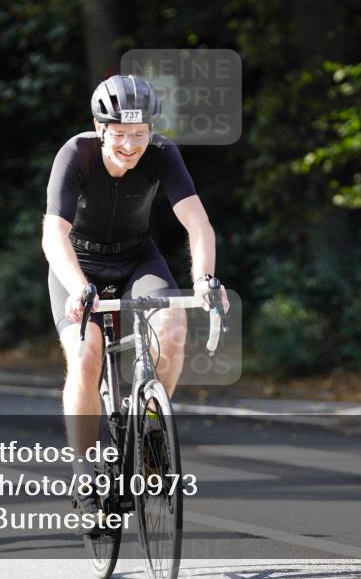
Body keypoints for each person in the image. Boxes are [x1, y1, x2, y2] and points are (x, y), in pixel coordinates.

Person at [42, 75, 227, 524]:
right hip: (78, 263)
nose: (130, 145)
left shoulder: (162, 154)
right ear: (100, 127)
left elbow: (198, 224)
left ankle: (150, 439)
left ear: (151, 131)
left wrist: (204, 279)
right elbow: (53, 235)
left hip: (137, 259)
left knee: (172, 328)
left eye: (139, 135)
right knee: (86, 355)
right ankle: (85, 475)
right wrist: (78, 285)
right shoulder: (76, 153)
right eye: (120, 135)